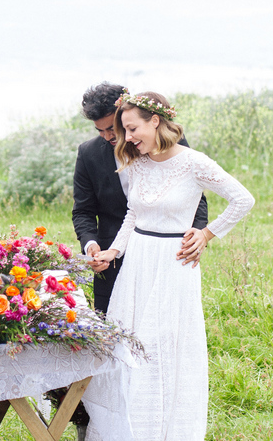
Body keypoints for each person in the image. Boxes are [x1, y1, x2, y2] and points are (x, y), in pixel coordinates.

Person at [78, 89, 254, 441]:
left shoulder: (194, 163)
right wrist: (112, 250)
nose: (127, 137)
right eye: (123, 130)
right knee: (129, 350)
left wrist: (207, 234)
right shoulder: (135, 163)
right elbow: (132, 215)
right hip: (136, 265)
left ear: (155, 121)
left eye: (132, 128)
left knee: (162, 351)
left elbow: (243, 199)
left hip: (174, 266)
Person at [72, 82, 209, 313]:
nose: (107, 136)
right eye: (100, 131)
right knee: (112, 328)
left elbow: (196, 197)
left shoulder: (170, 142)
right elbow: (83, 210)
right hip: (111, 256)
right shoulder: (88, 153)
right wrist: (91, 245)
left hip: (166, 253)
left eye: (112, 129)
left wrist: (199, 235)